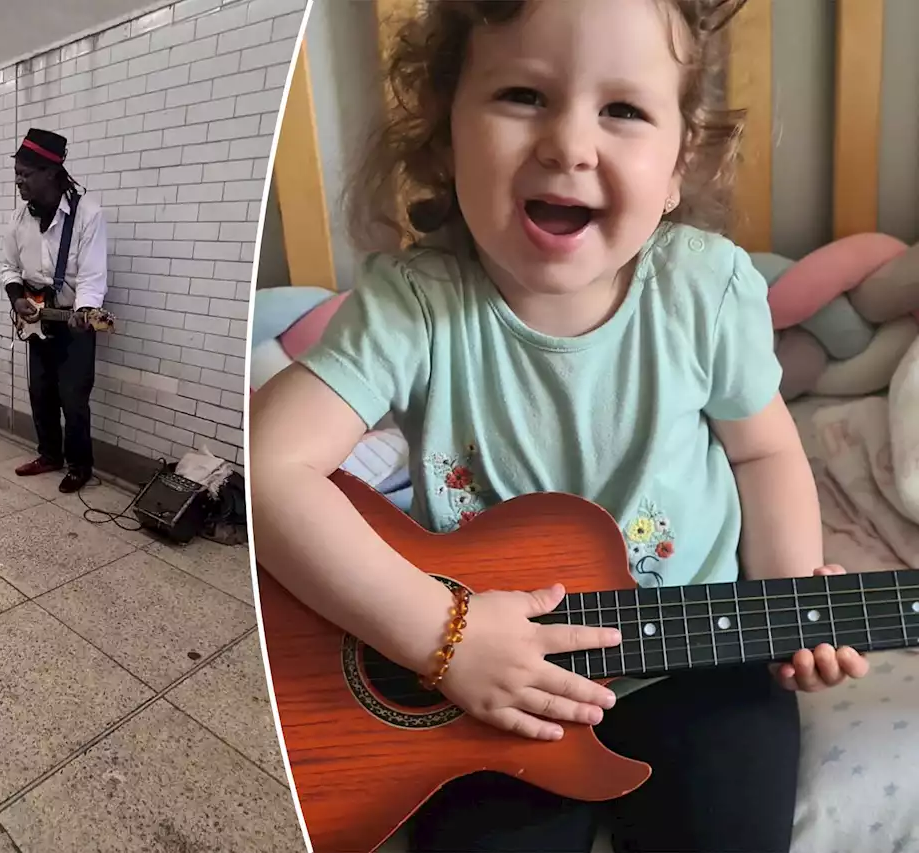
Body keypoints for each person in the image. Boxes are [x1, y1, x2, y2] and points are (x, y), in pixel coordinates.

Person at [248, 2, 870, 851]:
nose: (570, 145)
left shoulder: (707, 290)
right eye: (521, 95)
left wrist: (793, 591)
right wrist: (441, 637)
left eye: (622, 109)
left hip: (701, 659)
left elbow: (763, 451)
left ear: (678, 164)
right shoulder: (414, 306)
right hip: (494, 677)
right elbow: (269, 466)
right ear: (443, 135)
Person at [1, 128, 108, 494]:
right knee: (40, 391)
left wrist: (85, 311)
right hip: (36, 319)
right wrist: (18, 299)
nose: (19, 181)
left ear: (50, 173)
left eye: (26, 174)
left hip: (74, 321)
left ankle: (80, 465)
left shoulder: (87, 214)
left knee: (74, 397)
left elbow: (93, 277)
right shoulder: (19, 220)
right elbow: (8, 269)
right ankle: (49, 454)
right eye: (17, 174)